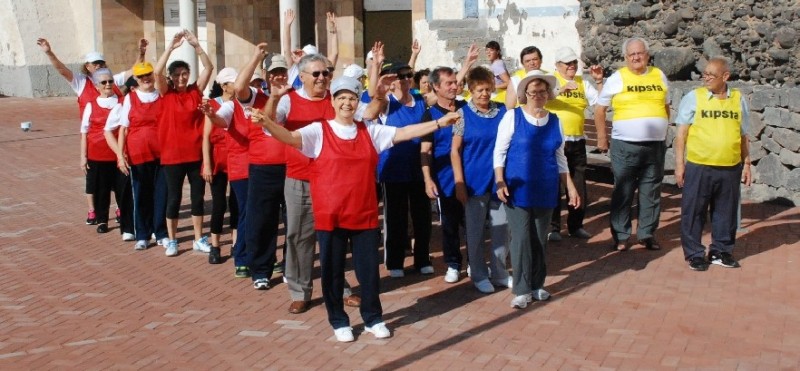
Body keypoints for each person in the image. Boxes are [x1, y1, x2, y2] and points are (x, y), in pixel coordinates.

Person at [252, 75, 461, 343]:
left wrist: (439, 122)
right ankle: (339, 320)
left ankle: (373, 318)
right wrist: (268, 122)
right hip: (331, 216)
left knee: (368, 272)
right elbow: (290, 138)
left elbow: (404, 133)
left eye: (351, 98)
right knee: (333, 270)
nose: (347, 103)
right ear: (333, 102)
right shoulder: (318, 131)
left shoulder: (370, 131)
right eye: (341, 98)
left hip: (363, 215)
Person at [264, 53, 363, 314]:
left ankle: (340, 289)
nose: (322, 78)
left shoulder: (337, 99)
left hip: (333, 180)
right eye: (316, 74)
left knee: (336, 236)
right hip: (299, 179)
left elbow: (368, 115)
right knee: (299, 237)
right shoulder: (288, 100)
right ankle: (300, 291)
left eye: (326, 73)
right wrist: (273, 97)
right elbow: (268, 126)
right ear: (303, 76)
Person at [494, 70, 580, 308]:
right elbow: (499, 153)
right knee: (521, 238)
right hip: (517, 188)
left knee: (539, 239)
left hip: (546, 187)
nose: (539, 96)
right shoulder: (512, 117)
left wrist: (570, 187)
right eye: (534, 92)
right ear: (525, 94)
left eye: (543, 91)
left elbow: (560, 158)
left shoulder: (555, 121)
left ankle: (537, 284)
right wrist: (500, 180)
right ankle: (521, 289)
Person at [37, 37, 145, 226]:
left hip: (117, 141)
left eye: (101, 63)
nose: (98, 66)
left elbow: (135, 70)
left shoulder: (111, 79)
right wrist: (48, 52)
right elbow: (61, 70)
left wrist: (141, 53)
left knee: (119, 180)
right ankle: (95, 212)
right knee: (96, 182)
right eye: (95, 63)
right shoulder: (81, 83)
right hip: (94, 141)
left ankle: (121, 208)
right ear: (87, 66)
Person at [674, 57, 751, 271]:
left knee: (726, 212)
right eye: (704, 74)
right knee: (694, 211)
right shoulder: (694, 97)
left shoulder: (738, 99)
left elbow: (744, 134)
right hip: (699, 166)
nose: (706, 78)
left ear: (725, 76)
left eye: (711, 75)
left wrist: (746, 163)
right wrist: (680, 165)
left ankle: (721, 251)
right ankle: (694, 254)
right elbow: (681, 134)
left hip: (729, 167)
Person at [594, 37, 669, 252]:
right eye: (631, 54)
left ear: (647, 55)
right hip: (625, 146)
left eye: (640, 53)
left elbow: (666, 106)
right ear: (626, 58)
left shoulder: (659, 75)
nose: (636, 57)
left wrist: (662, 129)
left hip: (654, 146)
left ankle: (647, 234)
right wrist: (602, 138)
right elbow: (600, 110)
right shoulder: (617, 78)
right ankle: (621, 236)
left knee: (651, 192)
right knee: (623, 191)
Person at [364, 45, 432, 278]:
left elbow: (447, 93)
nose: (404, 80)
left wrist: (465, 68)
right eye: (399, 77)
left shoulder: (420, 101)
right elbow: (374, 96)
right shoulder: (386, 103)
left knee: (422, 216)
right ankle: (395, 262)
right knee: (396, 218)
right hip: (392, 169)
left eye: (408, 76)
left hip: (419, 168)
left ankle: (422, 258)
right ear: (391, 82)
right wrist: (376, 65)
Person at [153, 30, 215, 257]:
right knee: (174, 198)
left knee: (198, 197)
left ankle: (199, 238)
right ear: (171, 77)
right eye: (177, 74)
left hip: (195, 155)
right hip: (172, 157)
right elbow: (157, 71)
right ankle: (172, 240)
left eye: (185, 74)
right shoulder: (165, 93)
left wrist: (197, 46)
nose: (181, 78)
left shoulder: (195, 91)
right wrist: (170, 47)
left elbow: (209, 69)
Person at [451, 66, 510, 292]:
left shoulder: (502, 111)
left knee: (501, 230)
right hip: (474, 182)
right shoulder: (462, 114)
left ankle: (499, 273)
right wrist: (459, 183)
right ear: (470, 91)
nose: (484, 94)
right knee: (475, 232)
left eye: (487, 89)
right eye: (478, 90)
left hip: (499, 181)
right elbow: (455, 151)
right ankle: (478, 273)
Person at [104, 61, 169, 250]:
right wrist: (120, 156)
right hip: (138, 155)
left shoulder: (162, 96)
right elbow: (123, 129)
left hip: (161, 155)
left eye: (148, 75)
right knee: (141, 195)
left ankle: (161, 232)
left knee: (161, 195)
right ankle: (142, 234)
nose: (145, 79)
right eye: (141, 77)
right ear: (136, 80)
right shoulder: (129, 99)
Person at [544, 47, 605, 241]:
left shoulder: (582, 83)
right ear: (558, 65)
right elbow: (541, 97)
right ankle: (552, 228)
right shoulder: (550, 80)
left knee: (578, 184)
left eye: (574, 63)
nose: (572, 66)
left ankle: (575, 225)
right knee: (554, 185)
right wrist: (561, 88)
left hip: (576, 140)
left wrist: (599, 81)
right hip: (555, 141)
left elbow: (602, 102)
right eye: (567, 63)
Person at [201, 68, 239, 265]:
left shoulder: (240, 103)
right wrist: (207, 163)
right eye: (233, 82)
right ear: (224, 86)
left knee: (236, 202)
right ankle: (215, 245)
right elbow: (206, 137)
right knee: (218, 203)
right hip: (218, 158)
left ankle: (235, 242)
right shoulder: (212, 105)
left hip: (236, 157)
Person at [80, 68, 123, 234]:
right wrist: (83, 157)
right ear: (97, 86)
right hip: (97, 154)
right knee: (101, 190)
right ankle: (102, 220)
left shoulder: (122, 101)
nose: (108, 85)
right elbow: (84, 132)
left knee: (121, 188)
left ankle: (125, 217)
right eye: (103, 82)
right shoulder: (90, 105)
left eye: (110, 81)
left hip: (118, 153)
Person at [283, 10, 339, 89]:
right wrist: (287, 26)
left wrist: (334, 31)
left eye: (312, 58)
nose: (310, 61)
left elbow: (335, 53)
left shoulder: (322, 71)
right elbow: (286, 49)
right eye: (307, 58)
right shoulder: (293, 69)